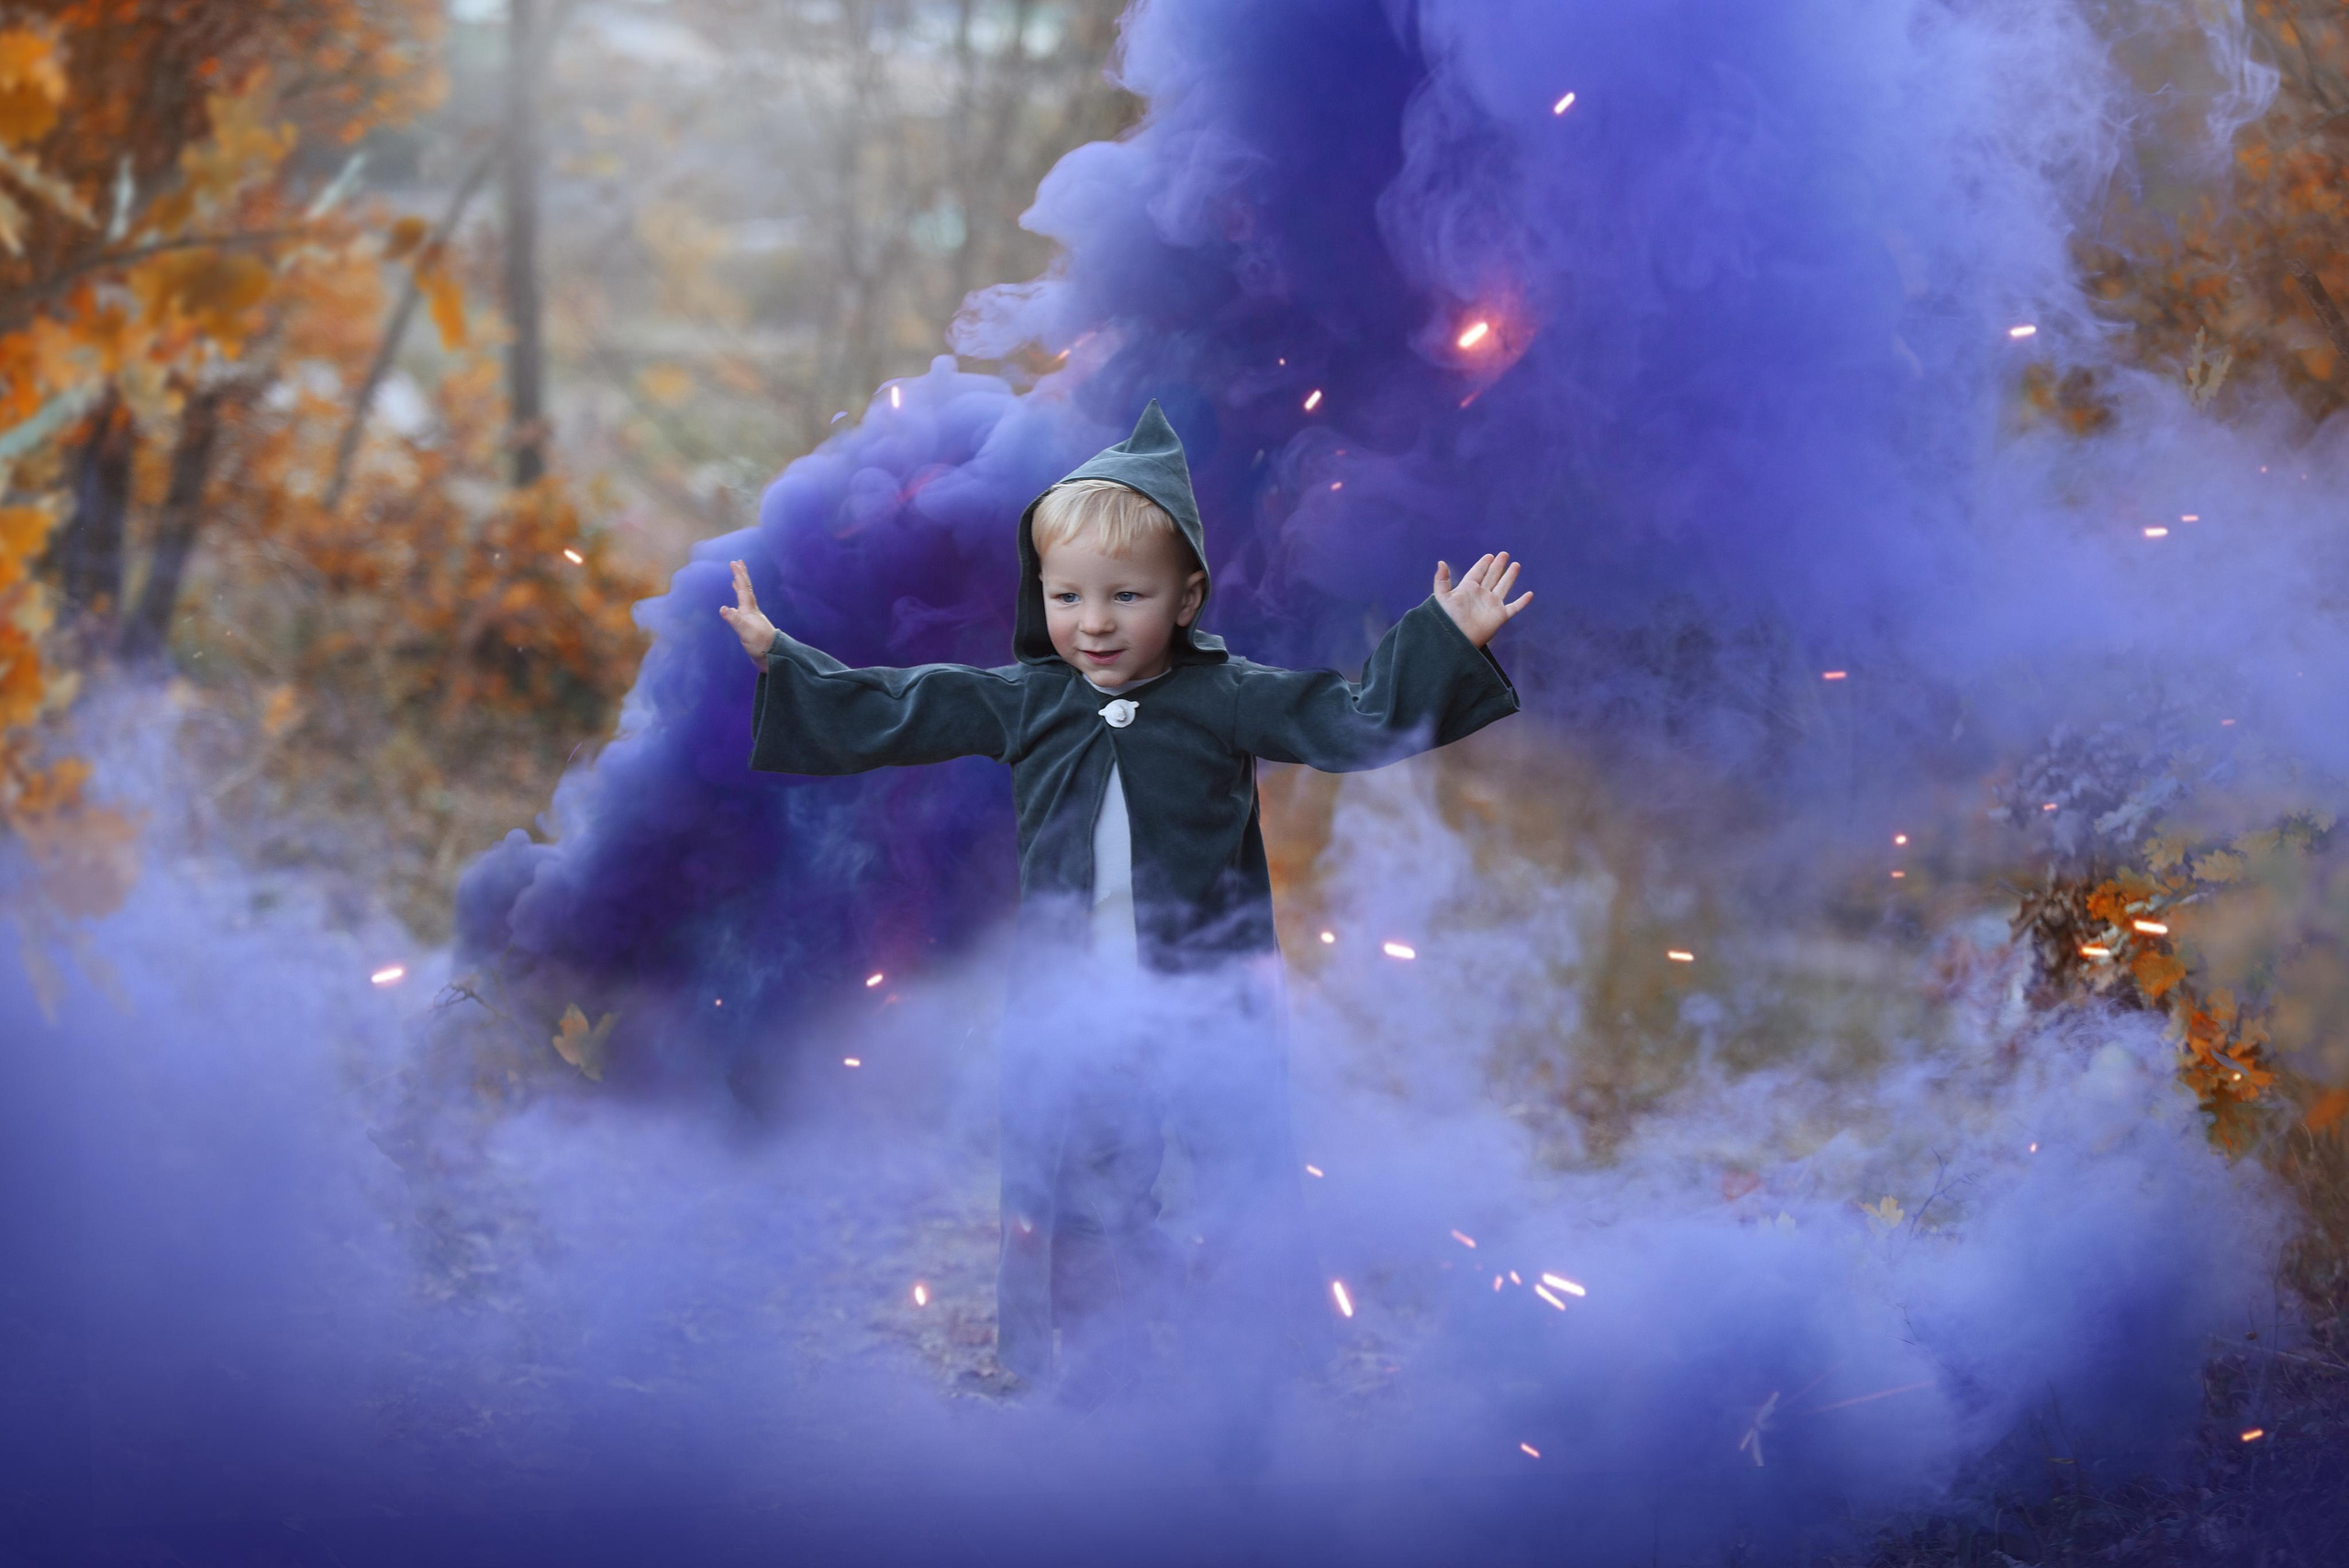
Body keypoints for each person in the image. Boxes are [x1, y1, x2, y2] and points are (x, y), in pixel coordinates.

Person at [720, 402, 1529, 1398]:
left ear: (1185, 597)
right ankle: (1086, 1365)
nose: (1092, 622)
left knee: (1232, 1166)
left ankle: (1256, 1365)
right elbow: (901, 705)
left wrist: (1443, 639)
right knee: (1079, 1174)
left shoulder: (1226, 695)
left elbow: (1351, 718)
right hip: (1077, 996)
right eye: (1067, 596)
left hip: (1208, 993)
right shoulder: (1030, 696)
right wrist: (782, 658)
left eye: (1125, 595)